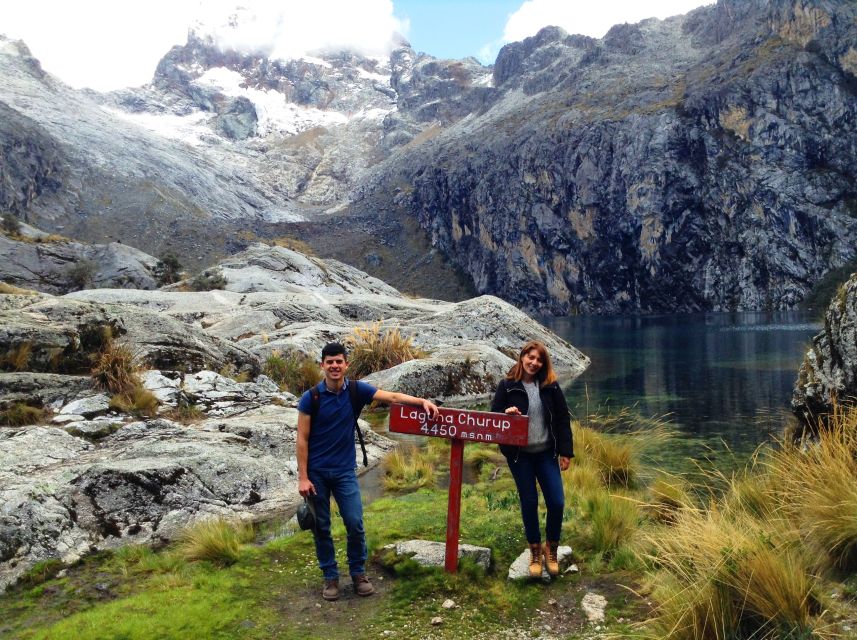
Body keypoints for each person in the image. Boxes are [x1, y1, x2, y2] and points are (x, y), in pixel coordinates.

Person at [297, 342, 439, 601]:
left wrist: (422, 402)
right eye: (330, 362)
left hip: (344, 472)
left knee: (355, 522)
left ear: (346, 364)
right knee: (321, 527)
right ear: (323, 365)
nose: (335, 366)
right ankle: (330, 577)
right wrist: (303, 477)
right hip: (317, 473)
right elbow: (302, 439)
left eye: (339, 361)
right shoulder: (311, 398)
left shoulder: (355, 390)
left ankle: (358, 573)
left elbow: (392, 397)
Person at [490, 340, 573, 578]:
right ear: (522, 357)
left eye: (539, 360)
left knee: (556, 501)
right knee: (529, 502)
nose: (534, 363)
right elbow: (494, 417)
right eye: (531, 357)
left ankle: (552, 549)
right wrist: (506, 415)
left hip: (546, 453)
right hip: (520, 456)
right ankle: (535, 551)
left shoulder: (550, 386)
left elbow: (562, 419)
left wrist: (566, 451)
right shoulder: (507, 386)